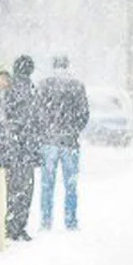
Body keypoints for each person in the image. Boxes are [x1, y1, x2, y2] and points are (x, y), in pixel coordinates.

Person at [37, 55, 90, 231]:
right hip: (70, 142)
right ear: (68, 65)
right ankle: (70, 220)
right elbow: (84, 114)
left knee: (47, 184)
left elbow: (37, 112)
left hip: (48, 141)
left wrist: (45, 130)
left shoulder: (44, 85)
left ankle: (46, 220)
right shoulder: (77, 86)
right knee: (71, 184)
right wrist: (73, 130)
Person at [6, 55, 41, 241]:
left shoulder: (10, 87)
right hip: (25, 148)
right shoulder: (31, 89)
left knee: (14, 189)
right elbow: (36, 120)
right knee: (25, 190)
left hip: (16, 148)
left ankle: (11, 225)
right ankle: (18, 226)